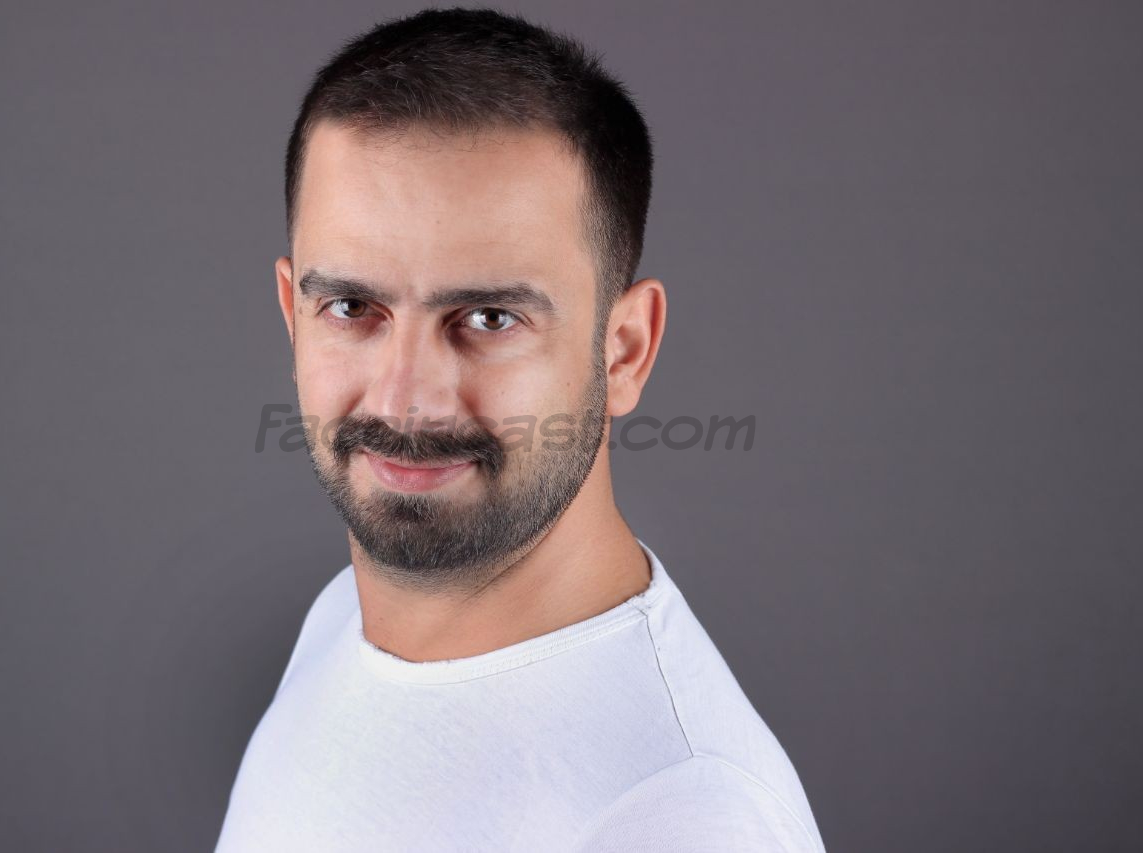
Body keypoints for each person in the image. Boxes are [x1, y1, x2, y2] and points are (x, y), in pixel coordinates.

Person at [216, 7, 824, 851]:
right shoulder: (341, 620)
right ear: (294, 315)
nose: (404, 400)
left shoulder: (680, 816)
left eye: (490, 318)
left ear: (624, 350)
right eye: (352, 308)